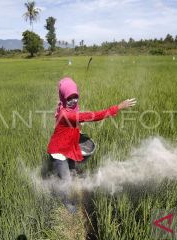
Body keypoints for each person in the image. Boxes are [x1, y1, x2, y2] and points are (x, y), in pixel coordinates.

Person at [47, 77, 136, 213]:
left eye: (75, 96)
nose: (74, 100)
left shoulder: (68, 107)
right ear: (64, 97)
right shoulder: (65, 113)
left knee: (71, 171)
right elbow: (94, 116)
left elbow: (75, 121)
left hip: (68, 146)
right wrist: (118, 107)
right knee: (65, 180)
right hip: (59, 152)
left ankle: (71, 184)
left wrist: (77, 129)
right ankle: (67, 203)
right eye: (70, 97)